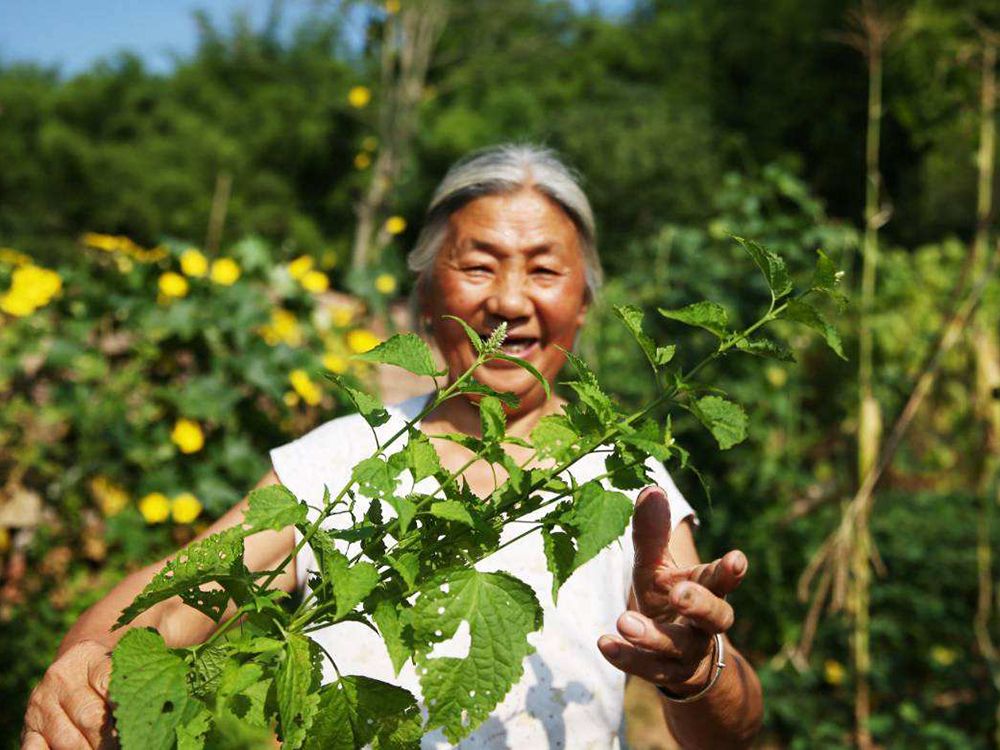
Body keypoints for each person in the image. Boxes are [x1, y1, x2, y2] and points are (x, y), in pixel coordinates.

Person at [22, 144, 763, 749]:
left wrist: (697, 670)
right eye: (477, 264)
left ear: (584, 299)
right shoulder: (343, 463)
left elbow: (729, 727)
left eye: (544, 269)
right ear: (423, 292)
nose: (508, 300)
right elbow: (169, 605)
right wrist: (87, 664)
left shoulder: (626, 480)